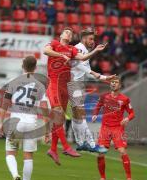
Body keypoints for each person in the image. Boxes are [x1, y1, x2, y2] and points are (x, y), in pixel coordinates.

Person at [43, 27, 108, 165]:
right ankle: (66, 147)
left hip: (65, 87)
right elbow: (45, 51)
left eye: (70, 33)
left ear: (72, 38)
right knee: (59, 114)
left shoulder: (72, 49)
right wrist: (61, 55)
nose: (68, 33)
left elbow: (83, 58)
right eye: (66, 31)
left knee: (59, 119)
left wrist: (96, 50)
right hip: (53, 83)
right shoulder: (54, 43)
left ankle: (53, 149)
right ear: (60, 34)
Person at [0, 56, 48, 180]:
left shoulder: (14, 82)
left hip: (15, 122)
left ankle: (15, 175)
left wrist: (1, 122)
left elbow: (5, 103)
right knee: (28, 157)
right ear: (35, 68)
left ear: (22, 66)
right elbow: (44, 107)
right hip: (31, 124)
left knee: (10, 153)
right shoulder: (40, 85)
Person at [68, 27, 116, 153]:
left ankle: (80, 142)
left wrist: (104, 77)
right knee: (81, 116)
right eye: (90, 38)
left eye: (93, 39)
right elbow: (79, 65)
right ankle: (92, 144)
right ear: (83, 38)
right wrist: (97, 74)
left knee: (76, 117)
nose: (92, 41)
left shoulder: (84, 50)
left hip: (76, 85)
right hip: (74, 85)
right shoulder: (79, 48)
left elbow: (88, 72)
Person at [92, 76, 135, 180]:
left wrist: (127, 118)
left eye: (116, 82)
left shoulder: (125, 99)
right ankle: (102, 178)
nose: (113, 84)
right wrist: (95, 114)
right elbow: (98, 106)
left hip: (117, 128)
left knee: (122, 151)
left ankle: (129, 179)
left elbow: (132, 113)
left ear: (120, 85)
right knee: (100, 154)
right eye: (112, 82)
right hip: (105, 128)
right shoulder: (104, 96)